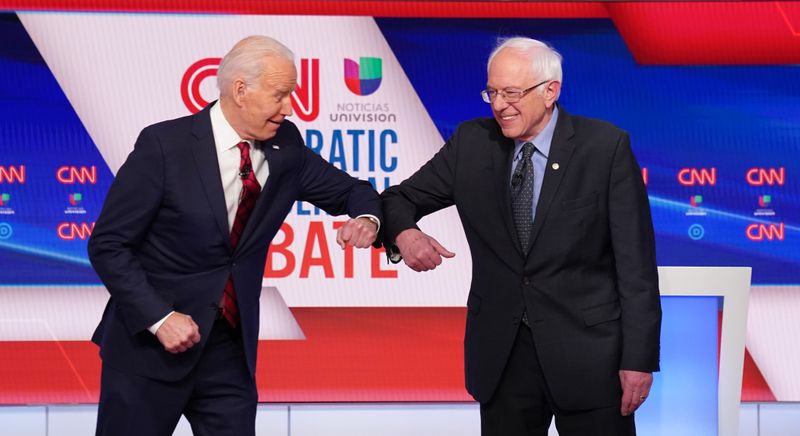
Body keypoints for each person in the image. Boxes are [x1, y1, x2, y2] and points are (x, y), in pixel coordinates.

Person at [88, 35, 381, 436]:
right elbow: (108, 244)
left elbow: (352, 190)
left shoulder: (286, 146)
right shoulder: (164, 146)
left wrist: (366, 218)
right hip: (149, 349)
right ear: (241, 91)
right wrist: (159, 317)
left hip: (227, 353)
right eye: (280, 96)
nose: (290, 108)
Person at [382, 37, 661, 435]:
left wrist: (639, 358)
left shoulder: (605, 148)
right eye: (492, 92)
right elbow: (399, 198)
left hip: (589, 359)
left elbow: (636, 267)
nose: (499, 105)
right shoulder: (472, 143)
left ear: (551, 91)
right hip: (503, 358)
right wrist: (405, 233)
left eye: (512, 92)